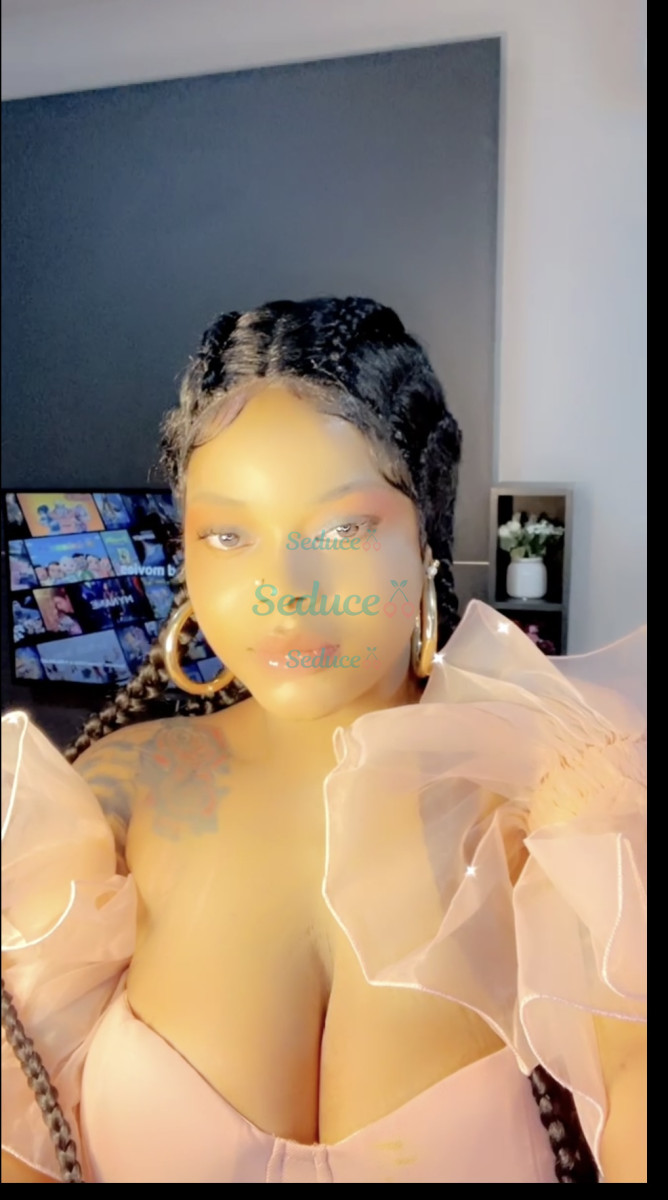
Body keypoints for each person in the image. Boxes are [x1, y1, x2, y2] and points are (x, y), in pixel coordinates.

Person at [1, 298, 646, 1184]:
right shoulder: (103, 803)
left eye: (343, 529)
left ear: (425, 536)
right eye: (229, 534)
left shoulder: (565, 799)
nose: (286, 590)